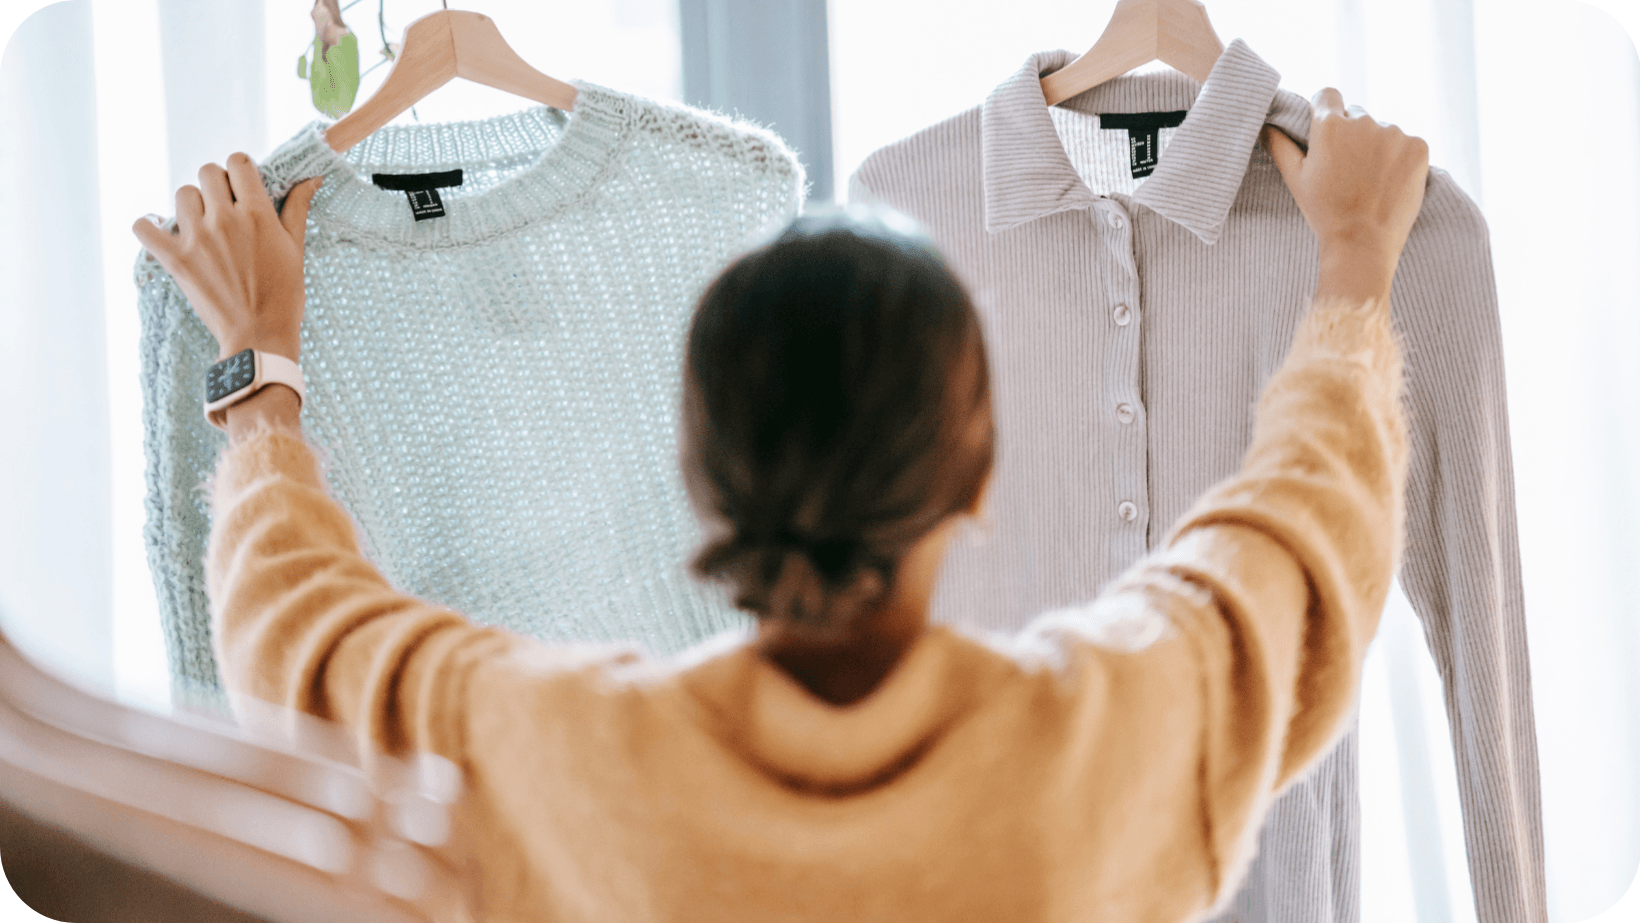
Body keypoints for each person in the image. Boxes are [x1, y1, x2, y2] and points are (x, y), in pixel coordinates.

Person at [132, 87, 1427, 920]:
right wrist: (1357, 264)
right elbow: (1298, 536)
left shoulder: (564, 758)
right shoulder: (1106, 742)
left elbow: (305, 638)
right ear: (977, 474)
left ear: (700, 477)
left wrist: (259, 371)